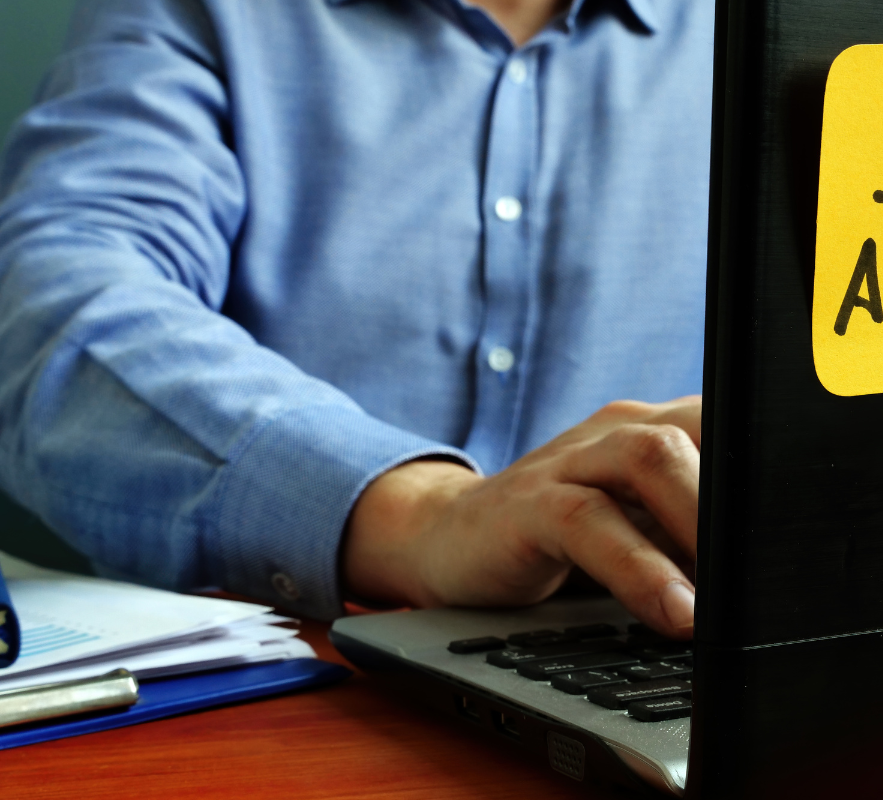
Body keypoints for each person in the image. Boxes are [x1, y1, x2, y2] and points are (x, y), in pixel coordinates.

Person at [0, 0, 713, 637]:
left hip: (643, 648)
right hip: (269, 685)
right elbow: (52, 300)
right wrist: (425, 513)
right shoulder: (203, 12)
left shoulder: (769, 35)